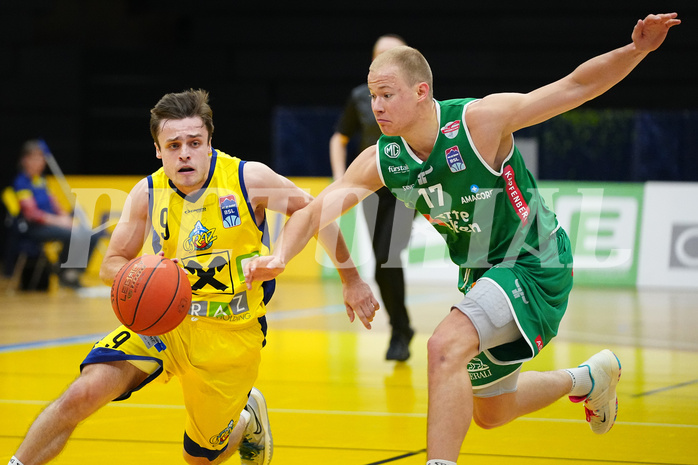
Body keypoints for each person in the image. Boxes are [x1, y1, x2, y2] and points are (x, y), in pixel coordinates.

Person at [244, 13, 681, 464]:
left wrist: (637, 50)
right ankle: (588, 379)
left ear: (421, 92)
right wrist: (280, 255)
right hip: (482, 273)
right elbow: (318, 209)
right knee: (492, 411)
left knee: (444, 344)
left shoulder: (479, 123)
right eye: (373, 95)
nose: (376, 106)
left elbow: (573, 87)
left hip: (533, 260)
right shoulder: (382, 159)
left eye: (387, 95)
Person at [8, 89, 378, 465]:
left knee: (198, 458)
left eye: (194, 142)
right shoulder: (147, 192)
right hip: (166, 323)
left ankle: (245, 419)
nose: (184, 152)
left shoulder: (247, 178)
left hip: (232, 333)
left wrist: (352, 280)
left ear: (208, 143)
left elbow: (314, 214)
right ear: (158, 150)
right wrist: (145, 277)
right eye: (173, 145)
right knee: (81, 395)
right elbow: (112, 263)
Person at [330, 34, 417, 361]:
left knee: (387, 254)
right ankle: (401, 329)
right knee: (383, 262)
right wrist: (342, 178)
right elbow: (338, 138)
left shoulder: (414, 96)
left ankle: (400, 329)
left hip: (408, 187)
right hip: (371, 188)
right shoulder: (359, 98)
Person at [9, 140, 100, 288]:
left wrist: (66, 217)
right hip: (34, 228)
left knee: (92, 234)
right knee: (72, 234)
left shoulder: (41, 181)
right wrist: (60, 222)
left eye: (41, 158)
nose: (40, 162)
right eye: (36, 158)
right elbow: (32, 214)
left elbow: (55, 205)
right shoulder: (21, 183)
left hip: (52, 222)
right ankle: (62, 270)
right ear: (25, 160)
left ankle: (72, 273)